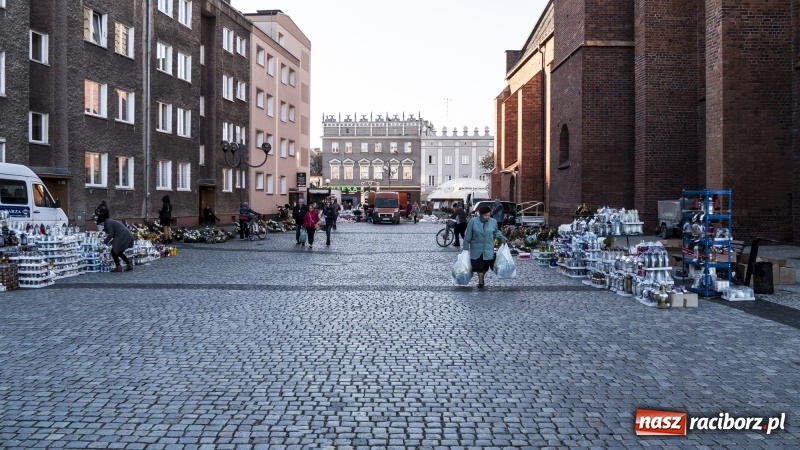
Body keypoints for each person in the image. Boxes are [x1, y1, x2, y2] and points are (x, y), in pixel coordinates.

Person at [463, 205, 507, 288]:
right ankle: (481, 281)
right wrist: (465, 247)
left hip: (488, 248)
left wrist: (502, 238)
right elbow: (468, 234)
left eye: (489, 215)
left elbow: (496, 232)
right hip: (476, 248)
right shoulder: (473, 221)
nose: (487, 217)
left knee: (486, 266)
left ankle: (482, 277)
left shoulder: (493, 221)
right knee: (479, 266)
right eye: (485, 215)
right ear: (480, 214)